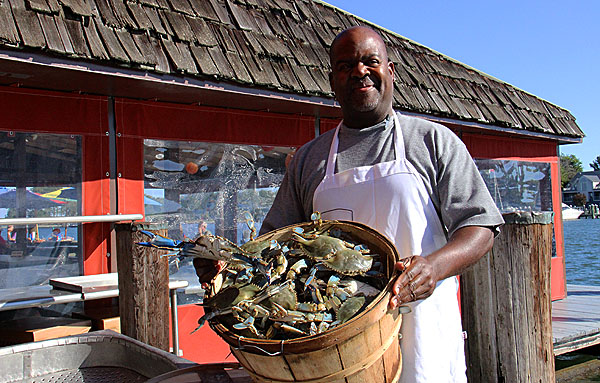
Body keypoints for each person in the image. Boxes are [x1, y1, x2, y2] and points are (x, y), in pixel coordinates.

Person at [196, 26, 504, 382]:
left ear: (390, 71)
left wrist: (434, 268)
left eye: (370, 61)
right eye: (345, 65)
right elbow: (270, 248)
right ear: (333, 79)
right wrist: (228, 267)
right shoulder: (309, 160)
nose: (359, 71)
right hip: (335, 355)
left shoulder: (433, 142)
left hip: (425, 336)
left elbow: (481, 227)